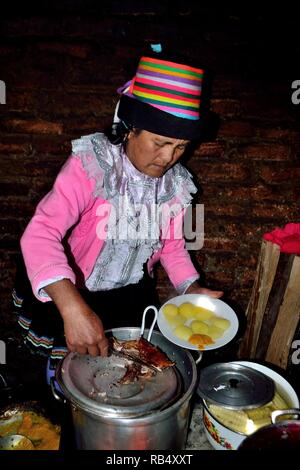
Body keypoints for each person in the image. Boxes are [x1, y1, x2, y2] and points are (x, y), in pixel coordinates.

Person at [13, 50, 222, 379]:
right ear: (131, 128)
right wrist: (71, 306)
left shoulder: (176, 186)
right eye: (160, 142)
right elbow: (40, 233)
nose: (169, 157)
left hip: (127, 296)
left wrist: (190, 288)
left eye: (181, 146)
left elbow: (172, 246)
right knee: (68, 378)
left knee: (119, 377)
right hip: (70, 289)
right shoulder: (93, 167)